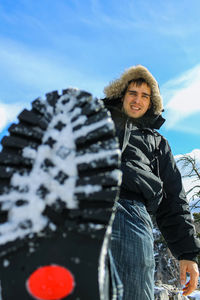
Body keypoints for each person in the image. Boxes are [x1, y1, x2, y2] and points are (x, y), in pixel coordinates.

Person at [103, 65, 200, 300]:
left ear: (151, 102)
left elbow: (174, 199)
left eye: (145, 96)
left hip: (132, 215)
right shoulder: (94, 125)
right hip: (89, 207)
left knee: (133, 291)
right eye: (132, 93)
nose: (138, 100)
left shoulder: (157, 143)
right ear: (121, 95)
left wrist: (187, 253)